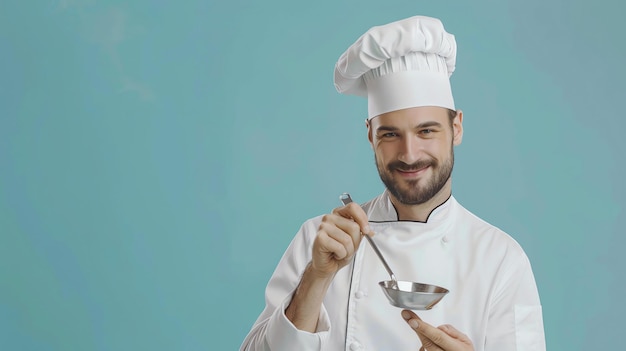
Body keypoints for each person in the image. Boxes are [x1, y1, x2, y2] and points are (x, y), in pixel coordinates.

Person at [240, 15, 545, 351]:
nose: (410, 154)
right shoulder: (320, 241)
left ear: (456, 128)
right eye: (390, 134)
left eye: (426, 131)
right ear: (370, 135)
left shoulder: (501, 260)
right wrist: (316, 277)